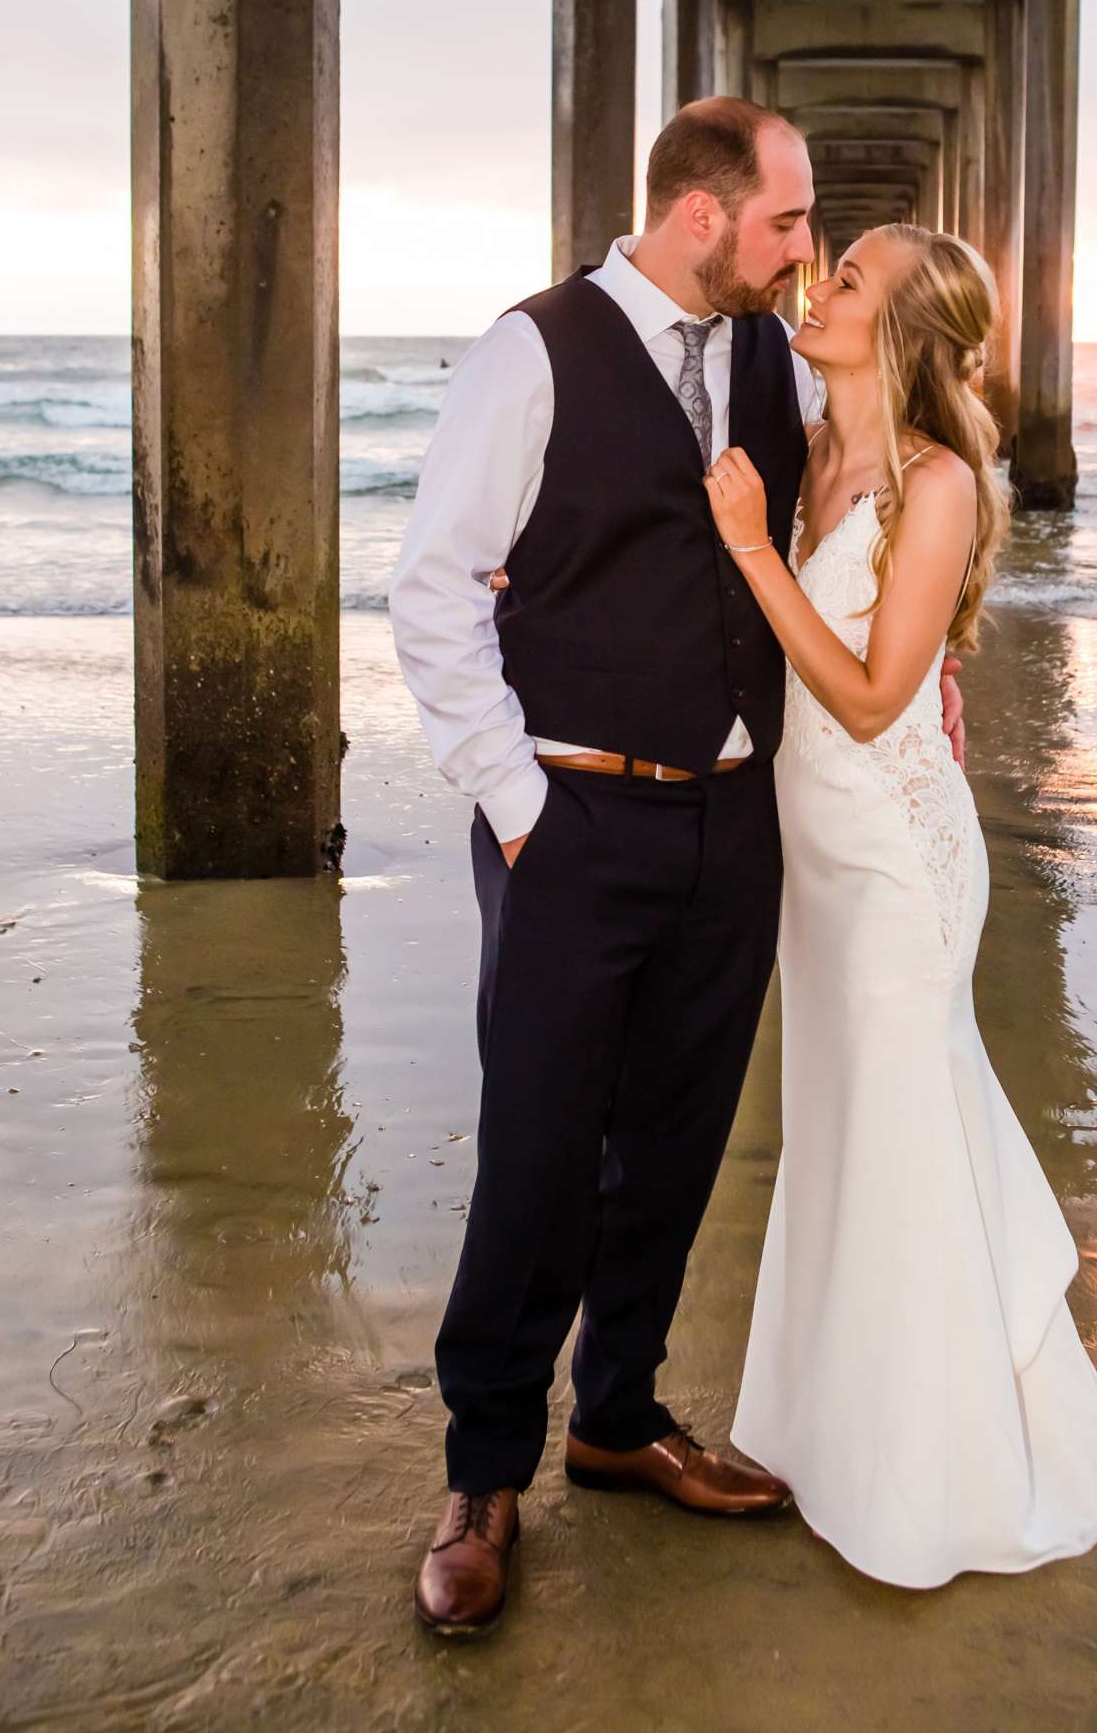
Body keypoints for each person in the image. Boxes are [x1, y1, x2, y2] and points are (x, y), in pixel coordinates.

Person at [389, 100, 964, 1636]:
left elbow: (889, 495)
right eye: (789, 223)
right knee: (537, 1152)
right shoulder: (535, 349)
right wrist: (520, 807)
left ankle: (620, 1414)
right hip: (570, 823)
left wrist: (929, 649)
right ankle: (484, 1468)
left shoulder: (783, 360)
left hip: (733, 823)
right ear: (705, 215)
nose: (806, 251)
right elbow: (433, 589)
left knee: (675, 1142)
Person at [705, 222, 1097, 1589]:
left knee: (901, 1133)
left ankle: (929, 1473)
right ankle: (828, 1428)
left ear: (899, 331)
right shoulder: (806, 446)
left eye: (844, 281)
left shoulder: (938, 484)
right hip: (816, 860)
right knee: (839, 1133)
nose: (813, 288)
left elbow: (875, 693)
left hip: (898, 863)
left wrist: (751, 552)